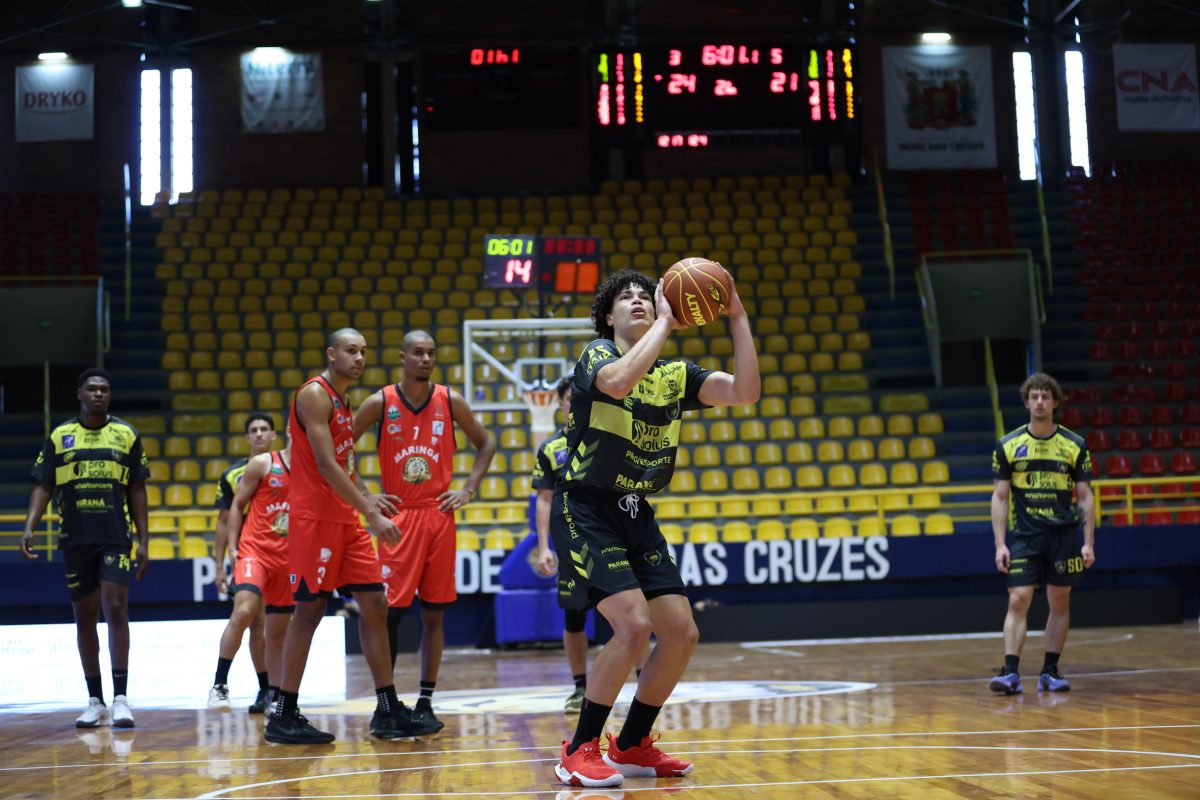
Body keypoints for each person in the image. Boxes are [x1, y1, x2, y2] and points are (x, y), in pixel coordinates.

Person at [551, 268, 760, 788]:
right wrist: (666, 321)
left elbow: (746, 391)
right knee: (632, 625)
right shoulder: (597, 355)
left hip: (634, 511)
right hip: (585, 506)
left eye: (646, 295)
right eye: (626, 298)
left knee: (682, 633)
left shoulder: (674, 374)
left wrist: (737, 315)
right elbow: (619, 383)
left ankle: (631, 744)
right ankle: (578, 749)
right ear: (608, 317)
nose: (639, 301)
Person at [266, 328, 438, 744]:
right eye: (350, 350)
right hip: (315, 521)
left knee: (375, 605)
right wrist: (371, 514)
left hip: (346, 519)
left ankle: (387, 710)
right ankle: (283, 714)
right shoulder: (314, 394)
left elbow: (344, 465)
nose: (359, 358)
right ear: (332, 354)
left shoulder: (344, 402)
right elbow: (325, 465)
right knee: (309, 612)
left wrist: (366, 496)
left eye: (363, 351)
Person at [353, 329, 496, 733]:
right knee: (389, 614)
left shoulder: (450, 400)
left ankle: (425, 702)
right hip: (398, 518)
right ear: (403, 357)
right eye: (417, 353)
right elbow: (339, 447)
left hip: (438, 516)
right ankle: (386, 706)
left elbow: (486, 444)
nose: (426, 359)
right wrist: (366, 496)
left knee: (434, 614)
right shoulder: (380, 402)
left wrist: (468, 489)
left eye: (431, 353)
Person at [21, 368, 150, 729]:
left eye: (104, 389)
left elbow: (137, 489)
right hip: (75, 538)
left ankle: (121, 699)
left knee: (116, 608)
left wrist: (144, 540)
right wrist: (30, 526)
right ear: (79, 393)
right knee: (85, 618)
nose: (98, 394)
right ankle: (95, 701)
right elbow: (44, 485)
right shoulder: (60, 436)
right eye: (91, 389)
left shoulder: (126, 434)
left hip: (115, 536)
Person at [533, 376, 648, 714]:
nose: (575, 402)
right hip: (573, 539)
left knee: (635, 612)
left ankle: (644, 682)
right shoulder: (551, 449)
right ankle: (579, 687)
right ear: (560, 404)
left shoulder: (610, 436)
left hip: (613, 536)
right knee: (574, 617)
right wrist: (544, 547)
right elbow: (544, 500)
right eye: (570, 398)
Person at [989, 372, 1095, 696]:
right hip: (1025, 536)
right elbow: (1000, 497)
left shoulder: (1074, 445)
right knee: (1018, 598)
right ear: (1026, 402)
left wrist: (1088, 543)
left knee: (1059, 601)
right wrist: (1000, 544)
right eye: (1034, 397)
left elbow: (1085, 496)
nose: (1039, 402)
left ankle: (1050, 671)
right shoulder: (1008, 445)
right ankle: (1010, 672)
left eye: (1045, 397)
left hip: (1063, 537)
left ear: (1055, 402)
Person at [207, 421, 294, 713]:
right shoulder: (237, 473)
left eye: (263, 429)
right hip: (253, 552)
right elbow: (225, 518)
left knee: (267, 627)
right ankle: (220, 684)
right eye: (253, 430)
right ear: (246, 437)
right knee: (245, 613)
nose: (259, 434)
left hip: (285, 558)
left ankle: (269, 691)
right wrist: (224, 560)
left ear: (274, 435)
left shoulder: (307, 469)